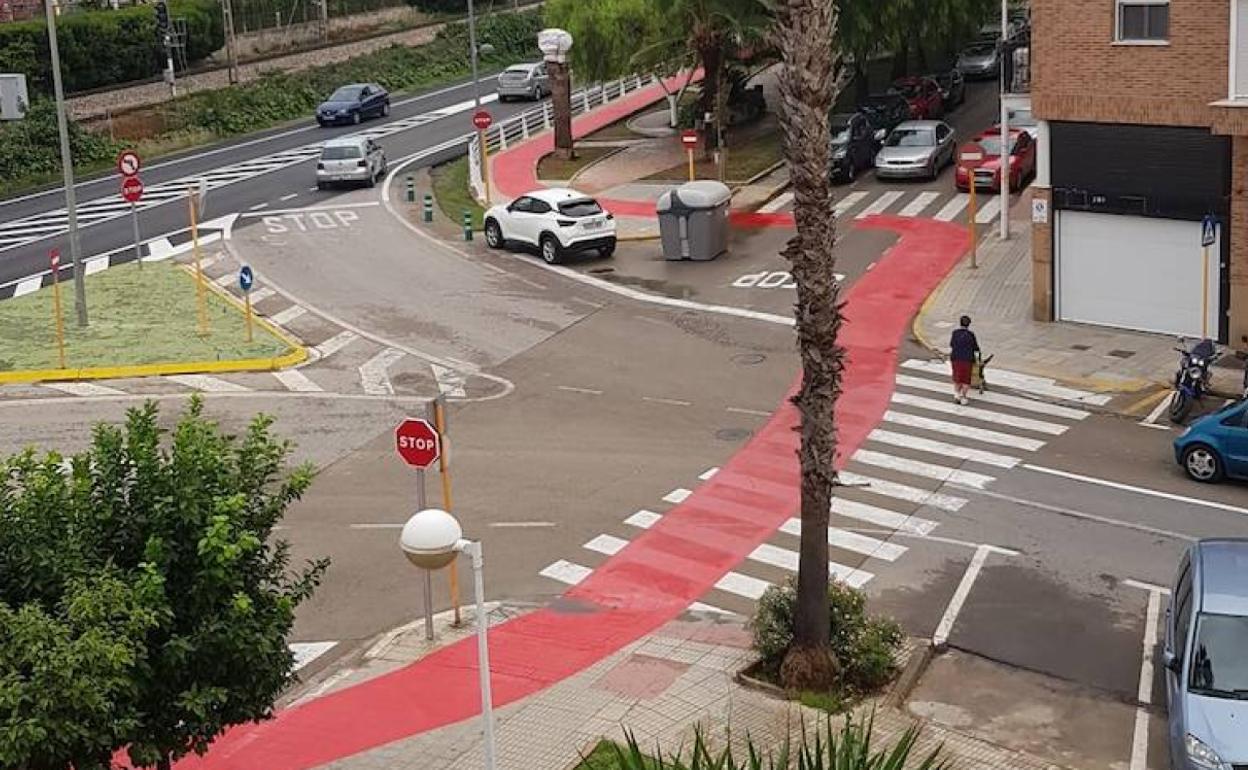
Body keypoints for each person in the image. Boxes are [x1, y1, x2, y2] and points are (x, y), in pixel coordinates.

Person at [949, 315, 980, 405]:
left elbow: (951, 344)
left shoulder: (955, 333)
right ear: (969, 324)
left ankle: (956, 395)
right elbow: (976, 347)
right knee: (966, 380)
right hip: (967, 360)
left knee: (957, 377)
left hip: (956, 358)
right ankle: (963, 396)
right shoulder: (971, 335)